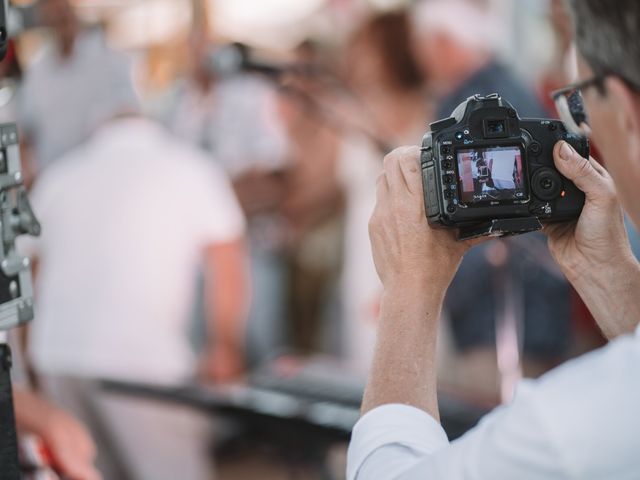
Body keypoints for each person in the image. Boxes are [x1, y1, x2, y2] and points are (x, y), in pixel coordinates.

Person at [347, 0, 640, 478]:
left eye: (578, 102)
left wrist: (408, 292)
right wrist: (608, 274)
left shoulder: (566, 428)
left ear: (627, 113)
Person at [21, 66, 248, 479]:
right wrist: (225, 347)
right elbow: (227, 262)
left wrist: (31, 370)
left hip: (58, 356)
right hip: (143, 363)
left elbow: (27, 277)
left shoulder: (61, 174)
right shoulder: (191, 167)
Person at [411, 0, 571, 389]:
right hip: (526, 315)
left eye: (424, 46)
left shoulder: (475, 105)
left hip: (503, 323)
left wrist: (423, 293)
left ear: (444, 42)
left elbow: (487, 219)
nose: (421, 60)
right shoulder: (507, 87)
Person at [18, 0, 133, 174]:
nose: (58, 15)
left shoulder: (108, 60)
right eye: (51, 10)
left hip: (100, 176)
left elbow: (130, 118)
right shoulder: (37, 72)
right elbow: (26, 132)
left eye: (61, 9)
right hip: (54, 181)